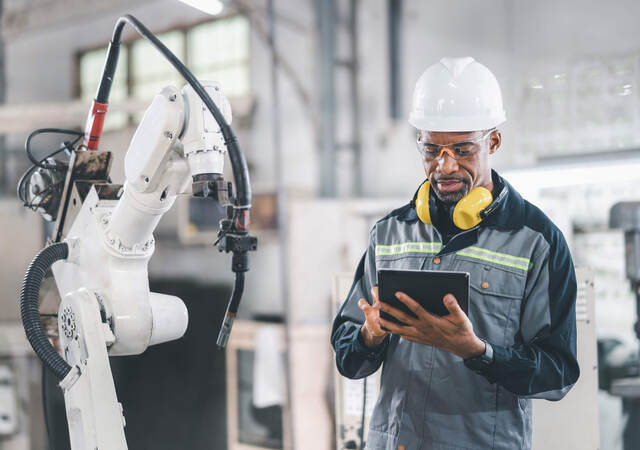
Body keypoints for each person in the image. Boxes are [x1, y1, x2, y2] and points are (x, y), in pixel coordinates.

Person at [331, 57, 579, 450]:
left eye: (462, 149)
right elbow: (348, 359)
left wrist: (479, 353)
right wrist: (370, 333)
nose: (444, 166)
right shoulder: (389, 233)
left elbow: (558, 374)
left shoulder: (537, 241)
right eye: (432, 149)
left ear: (493, 141)